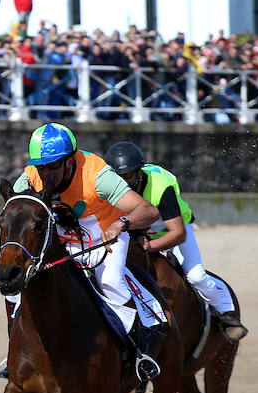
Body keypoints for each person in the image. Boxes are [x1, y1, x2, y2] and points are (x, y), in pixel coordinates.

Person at [0, 123, 164, 381]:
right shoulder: (33, 173)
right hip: (64, 236)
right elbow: (17, 209)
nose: (46, 174)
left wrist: (121, 224)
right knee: (18, 286)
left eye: (53, 166)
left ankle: (138, 352)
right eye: (41, 166)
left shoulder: (98, 176)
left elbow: (148, 211)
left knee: (110, 281)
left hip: (105, 235)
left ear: (70, 160)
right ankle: (16, 352)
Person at [104, 141, 248, 343]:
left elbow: (178, 233)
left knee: (196, 276)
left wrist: (149, 246)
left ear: (139, 173)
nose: (123, 184)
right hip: (136, 229)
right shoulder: (108, 186)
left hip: (170, 229)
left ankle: (225, 313)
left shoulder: (161, 186)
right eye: (117, 178)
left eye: (127, 176)